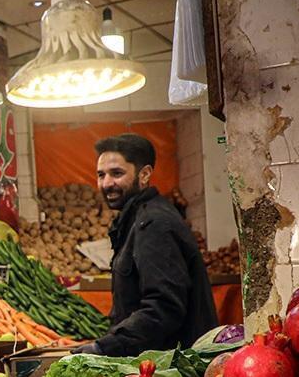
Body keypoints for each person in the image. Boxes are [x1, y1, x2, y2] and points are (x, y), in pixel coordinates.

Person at [78, 133, 216, 357]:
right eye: (101, 175)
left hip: (173, 367)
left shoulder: (154, 224)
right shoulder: (135, 219)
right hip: (154, 363)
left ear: (144, 174)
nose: (106, 184)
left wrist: (106, 347)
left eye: (117, 174)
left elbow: (164, 307)